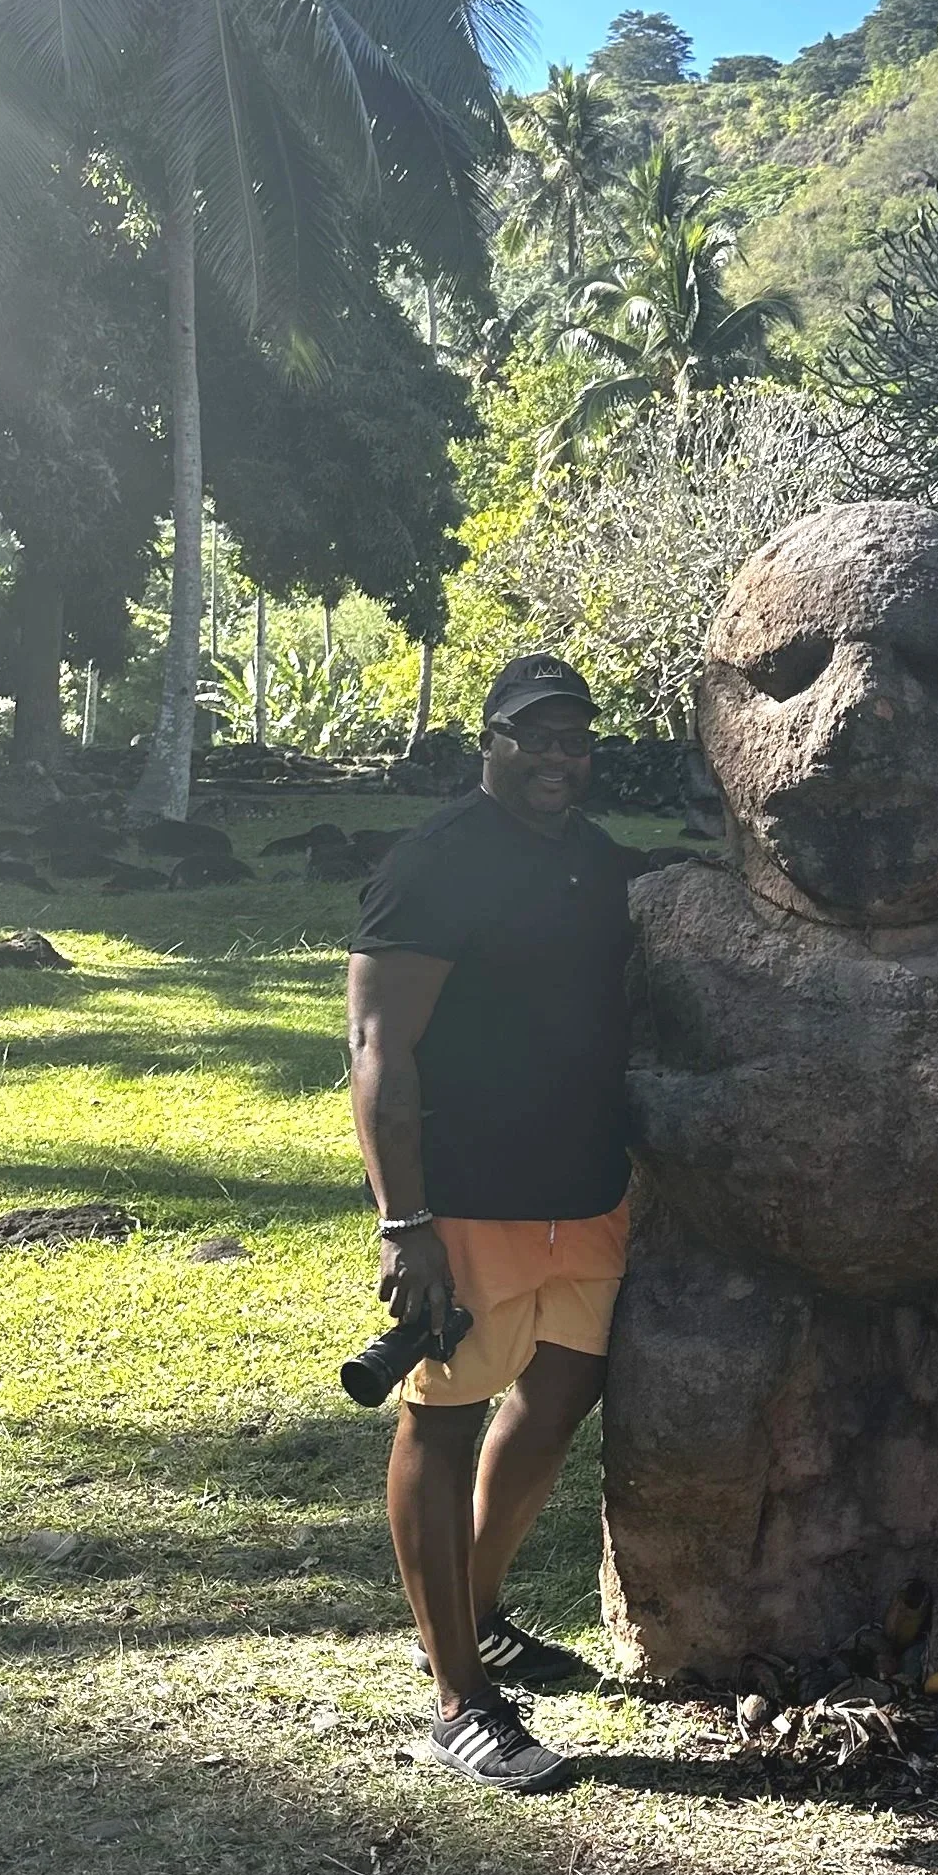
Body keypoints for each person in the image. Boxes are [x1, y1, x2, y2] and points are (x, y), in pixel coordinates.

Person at [346, 652, 638, 1793]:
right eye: (537, 738)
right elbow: (378, 1050)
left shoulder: (596, 863)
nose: (559, 758)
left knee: (558, 1397)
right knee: (446, 1415)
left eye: (576, 740)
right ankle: (460, 1696)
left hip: (588, 1190)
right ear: (491, 741)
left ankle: (474, 1607)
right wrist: (402, 1218)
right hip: (465, 1194)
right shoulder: (433, 865)